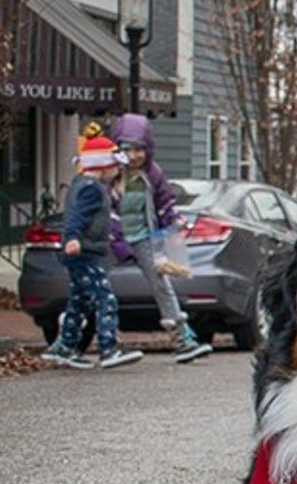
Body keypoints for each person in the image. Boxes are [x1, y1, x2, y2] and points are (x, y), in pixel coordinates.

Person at [109, 113, 213, 363]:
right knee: (96, 290)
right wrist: (117, 241)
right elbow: (106, 211)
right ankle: (74, 341)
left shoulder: (152, 173)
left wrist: (173, 220)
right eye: (127, 149)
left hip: (144, 238)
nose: (133, 156)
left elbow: (164, 201)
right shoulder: (110, 174)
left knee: (162, 287)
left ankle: (182, 341)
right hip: (112, 241)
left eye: (139, 149)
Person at [40, 126, 144, 370]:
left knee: (80, 300)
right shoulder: (91, 189)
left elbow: (83, 216)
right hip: (83, 253)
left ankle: (65, 346)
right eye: (115, 165)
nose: (118, 170)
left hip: (83, 252)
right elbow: (76, 216)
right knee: (104, 298)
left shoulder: (81, 184)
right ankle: (109, 349)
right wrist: (73, 237)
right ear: (103, 166)